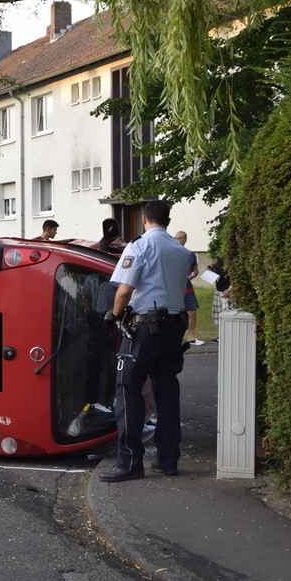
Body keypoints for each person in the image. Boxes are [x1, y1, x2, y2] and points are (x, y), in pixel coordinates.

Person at [100, 200, 191, 482]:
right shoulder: (183, 252)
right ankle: (168, 460)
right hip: (174, 328)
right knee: (167, 392)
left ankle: (128, 463)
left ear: (144, 219)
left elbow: (124, 291)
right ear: (168, 219)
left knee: (127, 389)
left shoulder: (139, 246)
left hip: (146, 327)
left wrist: (114, 317)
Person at [174, 231, 204, 346]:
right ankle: (175, 337)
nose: (178, 240)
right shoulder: (170, 253)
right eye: (176, 238)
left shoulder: (190, 254)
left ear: (185, 240)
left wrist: (192, 275)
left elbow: (195, 270)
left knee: (191, 312)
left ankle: (191, 336)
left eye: (180, 238)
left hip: (187, 287)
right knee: (175, 313)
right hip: (174, 288)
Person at [206, 257, 232, 342]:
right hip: (219, 289)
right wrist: (211, 266)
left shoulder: (232, 256)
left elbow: (237, 276)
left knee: (228, 314)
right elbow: (215, 263)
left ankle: (229, 336)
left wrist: (231, 289)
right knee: (219, 314)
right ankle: (221, 335)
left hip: (228, 291)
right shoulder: (220, 257)